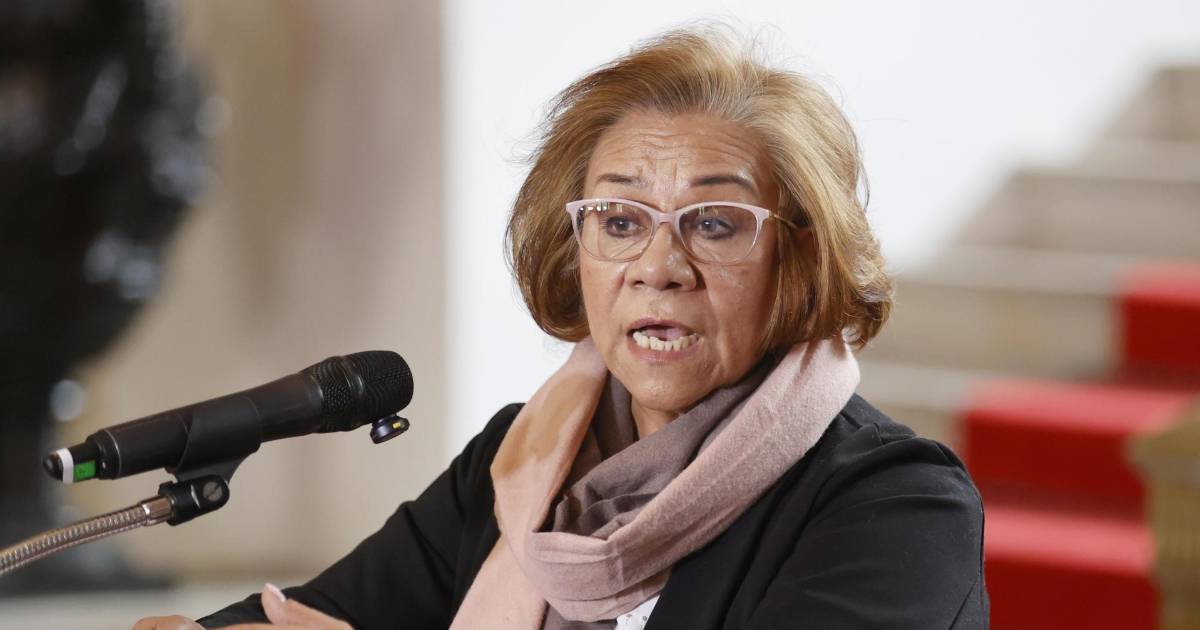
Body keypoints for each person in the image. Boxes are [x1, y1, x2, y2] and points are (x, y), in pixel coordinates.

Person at [136, 26, 987, 630]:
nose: (659, 266)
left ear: (799, 257)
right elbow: (315, 612)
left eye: (715, 223)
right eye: (619, 220)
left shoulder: (897, 507)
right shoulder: (524, 463)